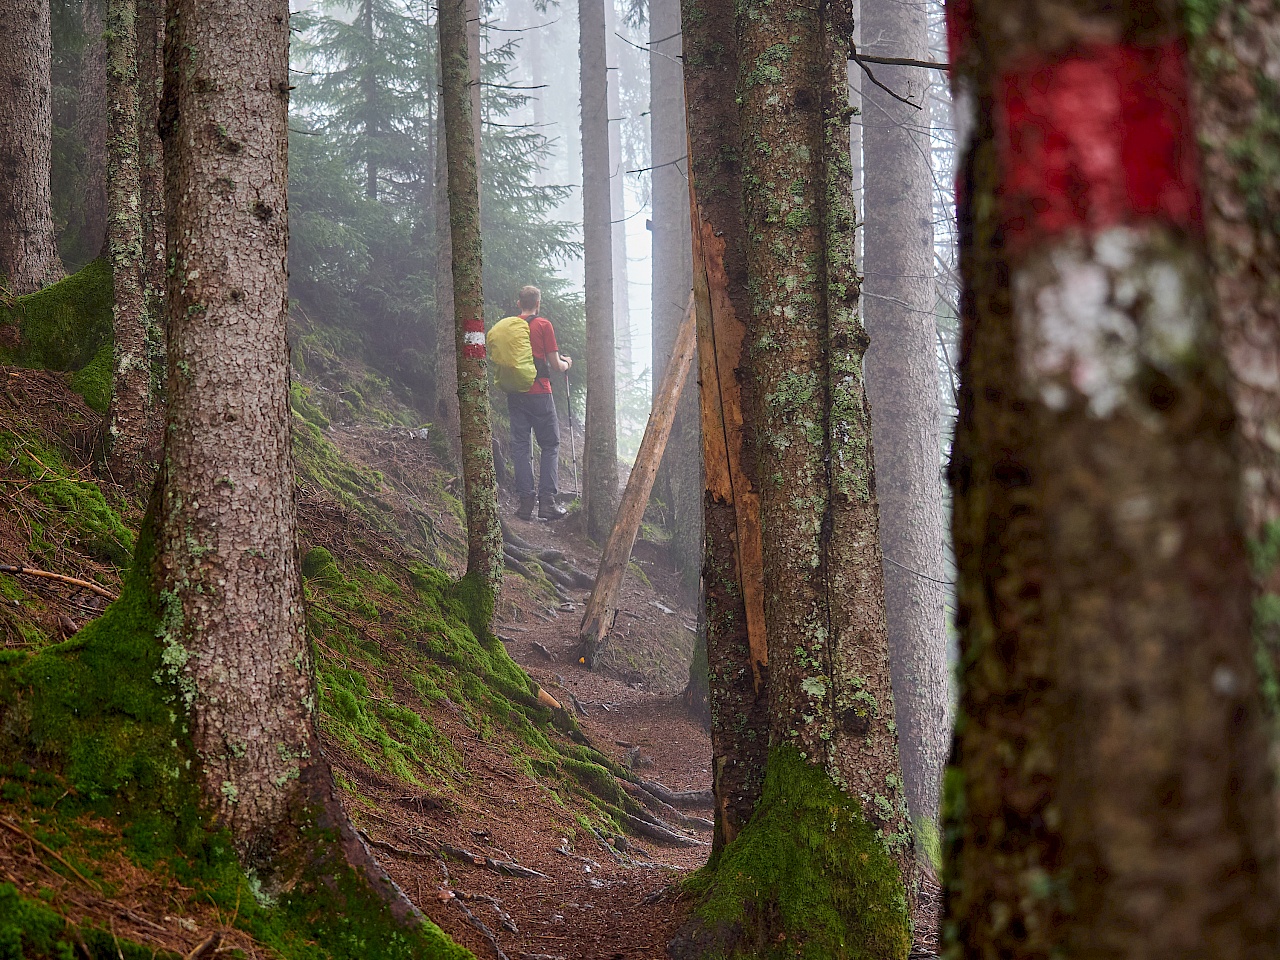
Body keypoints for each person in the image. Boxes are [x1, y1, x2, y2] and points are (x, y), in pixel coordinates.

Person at [508, 285, 571, 521]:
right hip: (540, 393)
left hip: (515, 392)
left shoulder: (511, 326)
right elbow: (555, 365)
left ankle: (525, 504)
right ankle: (547, 503)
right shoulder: (543, 325)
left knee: (521, 447)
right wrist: (566, 363)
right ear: (538, 303)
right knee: (550, 445)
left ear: (518, 304)